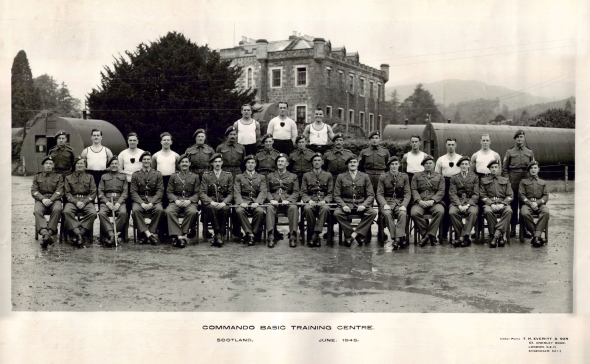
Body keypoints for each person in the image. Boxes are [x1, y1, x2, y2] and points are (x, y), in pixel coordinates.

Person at [333, 155, 377, 247]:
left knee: (372, 213)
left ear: (358, 164)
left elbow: (370, 195)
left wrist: (364, 205)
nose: (352, 164)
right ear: (347, 165)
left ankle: (353, 235)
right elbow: (336, 195)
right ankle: (354, 235)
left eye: (354, 162)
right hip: (346, 204)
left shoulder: (364, 176)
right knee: (337, 213)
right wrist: (343, 205)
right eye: (350, 162)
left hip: (360, 204)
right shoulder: (341, 176)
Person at [502, 130, 535, 237]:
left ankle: (524, 229)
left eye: (521, 137)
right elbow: (505, 168)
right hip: (513, 179)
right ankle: (512, 229)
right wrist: (508, 181)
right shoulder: (510, 152)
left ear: (524, 138)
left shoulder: (529, 152)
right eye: (517, 137)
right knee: (513, 203)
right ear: (515, 139)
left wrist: (530, 181)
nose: (519, 139)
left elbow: (533, 167)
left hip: (525, 179)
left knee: (524, 204)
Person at [165, 154, 200, 248]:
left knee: (193, 212)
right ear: (179, 164)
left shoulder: (195, 176)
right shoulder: (174, 176)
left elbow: (197, 193)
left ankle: (181, 235)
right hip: (177, 200)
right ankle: (181, 237)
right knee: (169, 211)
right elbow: (169, 192)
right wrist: (176, 200)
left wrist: (189, 201)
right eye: (182, 162)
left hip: (189, 201)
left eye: (186, 162)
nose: (184, 164)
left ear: (190, 164)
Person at [265, 153, 300, 248]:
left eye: (282, 161)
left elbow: (296, 192)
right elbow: (266, 190)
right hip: (274, 201)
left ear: (287, 164)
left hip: (287, 201)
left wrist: (289, 200)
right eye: (278, 161)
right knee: (269, 208)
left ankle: (293, 236)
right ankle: (271, 236)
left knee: (294, 208)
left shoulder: (293, 176)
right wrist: (271, 199)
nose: (280, 163)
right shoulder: (270, 176)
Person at [410, 155, 445, 247]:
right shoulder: (416, 176)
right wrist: (419, 200)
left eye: (430, 163)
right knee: (414, 213)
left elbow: (441, 191)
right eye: (426, 163)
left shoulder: (440, 177)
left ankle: (427, 235)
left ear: (434, 165)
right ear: (423, 165)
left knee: (440, 211)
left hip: (434, 202)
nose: (428, 165)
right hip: (420, 202)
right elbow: (413, 189)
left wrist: (433, 200)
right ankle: (428, 235)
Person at [130, 151, 165, 245]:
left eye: (148, 159)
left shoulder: (157, 174)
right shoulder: (136, 175)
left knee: (159, 210)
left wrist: (151, 203)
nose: (146, 161)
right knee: (135, 210)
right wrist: (141, 203)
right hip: (140, 200)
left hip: (153, 199)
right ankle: (149, 234)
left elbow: (160, 191)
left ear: (151, 161)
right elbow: (133, 192)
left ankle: (149, 233)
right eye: (144, 159)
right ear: (141, 161)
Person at [376, 156, 410, 250]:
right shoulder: (383, 176)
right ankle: (396, 238)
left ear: (399, 165)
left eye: (396, 164)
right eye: (392, 164)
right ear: (389, 166)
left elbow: (407, 193)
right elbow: (379, 194)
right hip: (387, 201)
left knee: (403, 214)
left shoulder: (404, 176)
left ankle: (397, 239)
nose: (394, 166)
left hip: (399, 202)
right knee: (387, 214)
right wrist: (384, 204)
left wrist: (404, 205)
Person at [200, 153, 233, 247]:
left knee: (226, 209)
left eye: (219, 162)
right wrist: (211, 201)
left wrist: (224, 203)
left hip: (223, 201)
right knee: (211, 207)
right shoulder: (206, 175)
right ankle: (218, 233)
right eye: (215, 162)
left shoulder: (228, 175)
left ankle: (219, 235)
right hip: (212, 200)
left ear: (222, 163)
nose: (217, 164)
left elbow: (231, 193)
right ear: (212, 164)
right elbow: (202, 192)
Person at [301, 153, 334, 247]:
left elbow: (331, 192)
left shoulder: (328, 175)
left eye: (319, 160)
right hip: (311, 200)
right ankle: (314, 236)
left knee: (326, 208)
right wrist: (308, 200)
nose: (317, 162)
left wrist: (325, 201)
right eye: (315, 160)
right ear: (312, 162)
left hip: (323, 201)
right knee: (307, 208)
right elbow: (303, 192)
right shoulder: (306, 175)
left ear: (322, 162)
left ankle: (315, 235)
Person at [63, 156, 97, 247]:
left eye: (81, 163)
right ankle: (79, 233)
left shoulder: (90, 177)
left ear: (85, 165)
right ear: (74, 165)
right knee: (66, 211)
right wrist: (76, 202)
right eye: (77, 163)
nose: (79, 165)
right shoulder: (68, 177)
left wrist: (85, 202)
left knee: (93, 213)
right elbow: (67, 193)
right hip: (73, 201)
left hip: (86, 200)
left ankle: (79, 234)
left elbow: (93, 192)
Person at [234, 155, 267, 246]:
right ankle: (250, 234)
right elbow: (236, 191)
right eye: (248, 163)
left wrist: (258, 202)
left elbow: (263, 191)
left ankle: (252, 234)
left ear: (256, 164)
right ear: (245, 164)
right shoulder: (239, 177)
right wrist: (241, 202)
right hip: (244, 200)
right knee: (239, 210)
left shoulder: (261, 177)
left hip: (256, 201)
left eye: (252, 163)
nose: (250, 165)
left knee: (260, 211)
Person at [31, 156, 64, 248]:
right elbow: (34, 191)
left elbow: (60, 190)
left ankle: (46, 235)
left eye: (50, 164)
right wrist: (42, 199)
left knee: (58, 209)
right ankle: (46, 234)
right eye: (46, 163)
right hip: (41, 200)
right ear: (43, 165)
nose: (48, 165)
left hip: (55, 199)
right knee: (37, 211)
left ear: (53, 165)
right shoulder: (37, 176)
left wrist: (51, 199)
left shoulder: (59, 176)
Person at [435, 137, 462, 243]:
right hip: (445, 184)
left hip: (457, 184)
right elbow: (437, 175)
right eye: (449, 144)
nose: (451, 146)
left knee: (455, 208)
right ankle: (443, 233)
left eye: (452, 144)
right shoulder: (441, 159)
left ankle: (458, 233)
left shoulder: (460, 158)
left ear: (456, 145)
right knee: (445, 209)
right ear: (446, 145)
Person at [480, 159, 513, 248]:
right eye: (492, 167)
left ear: (499, 168)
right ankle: (500, 236)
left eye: (496, 167)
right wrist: (491, 204)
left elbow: (510, 195)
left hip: (503, 203)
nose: (494, 169)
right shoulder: (484, 180)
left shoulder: (505, 180)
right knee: (487, 211)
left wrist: (503, 203)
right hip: (490, 204)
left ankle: (495, 236)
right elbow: (482, 195)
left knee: (509, 211)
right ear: (489, 169)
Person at [448, 156, 479, 248]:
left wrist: (468, 204)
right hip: (458, 201)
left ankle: (461, 238)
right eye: (462, 164)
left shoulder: (475, 177)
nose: (464, 166)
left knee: (473, 212)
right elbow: (452, 194)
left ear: (469, 165)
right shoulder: (454, 178)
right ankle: (465, 237)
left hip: (470, 202)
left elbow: (476, 194)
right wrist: (459, 205)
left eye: (466, 164)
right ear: (459, 165)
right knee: (452, 212)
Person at [97, 155, 128, 247]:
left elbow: (125, 192)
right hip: (107, 200)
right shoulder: (104, 176)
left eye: (116, 163)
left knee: (123, 213)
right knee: (102, 213)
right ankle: (112, 235)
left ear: (118, 165)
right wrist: (107, 203)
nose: (114, 165)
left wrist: (118, 203)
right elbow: (100, 191)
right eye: (112, 164)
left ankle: (110, 235)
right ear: (109, 165)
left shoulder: (123, 176)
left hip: (119, 200)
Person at [518, 161, 550, 247]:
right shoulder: (523, 181)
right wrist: (530, 203)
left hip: (540, 204)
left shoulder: (543, 182)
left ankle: (535, 236)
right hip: (527, 204)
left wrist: (537, 203)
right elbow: (521, 195)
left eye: (535, 168)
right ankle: (537, 236)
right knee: (524, 213)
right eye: (531, 168)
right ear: (528, 170)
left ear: (538, 169)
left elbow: (546, 196)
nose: (533, 170)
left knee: (546, 212)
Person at [151, 132, 180, 207]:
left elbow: (179, 170)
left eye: (168, 140)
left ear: (171, 142)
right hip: (159, 180)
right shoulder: (155, 155)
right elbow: (153, 170)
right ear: (161, 142)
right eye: (164, 140)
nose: (166, 141)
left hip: (172, 180)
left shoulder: (176, 155)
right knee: (161, 199)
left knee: (170, 199)